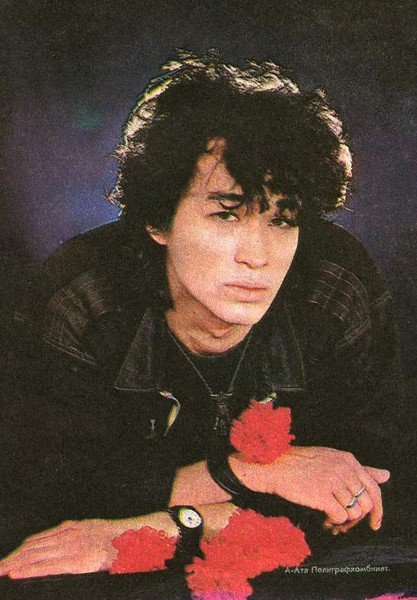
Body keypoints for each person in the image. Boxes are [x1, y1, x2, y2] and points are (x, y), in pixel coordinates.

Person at [0, 50, 408, 583]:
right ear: (157, 220)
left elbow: (367, 495)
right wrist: (254, 472)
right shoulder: (82, 299)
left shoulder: (335, 287)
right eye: (226, 215)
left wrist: (163, 525)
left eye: (283, 219)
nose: (257, 256)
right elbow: (44, 503)